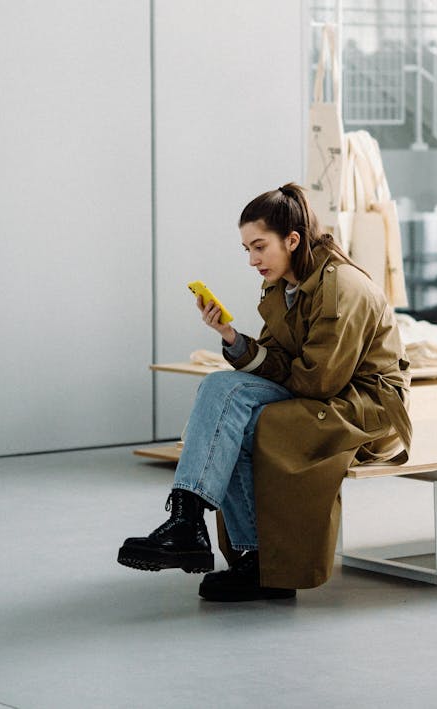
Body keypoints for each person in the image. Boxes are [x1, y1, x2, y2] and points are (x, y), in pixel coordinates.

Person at [117, 182, 412, 602]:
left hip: (366, 410)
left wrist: (255, 371)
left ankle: (193, 526)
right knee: (231, 410)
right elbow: (278, 362)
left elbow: (317, 382)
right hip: (326, 394)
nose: (253, 260)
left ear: (292, 240)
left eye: (260, 247)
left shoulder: (342, 287)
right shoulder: (282, 286)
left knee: (230, 402)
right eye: (247, 250)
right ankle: (247, 557)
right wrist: (230, 336)